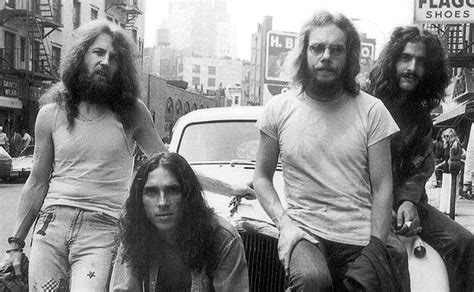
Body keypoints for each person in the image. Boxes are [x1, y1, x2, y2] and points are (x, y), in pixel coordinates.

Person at [1, 20, 253, 291]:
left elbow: (173, 168)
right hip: (50, 227)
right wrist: (15, 243)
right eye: (98, 53)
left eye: (114, 58)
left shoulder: (132, 112)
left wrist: (230, 188)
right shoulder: (51, 114)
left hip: (102, 229)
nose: (105, 62)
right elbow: (37, 182)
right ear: (81, 56)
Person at [253, 11, 407, 291]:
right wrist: (284, 224)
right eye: (317, 48)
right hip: (306, 232)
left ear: (349, 57)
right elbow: (261, 177)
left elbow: (383, 186)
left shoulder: (372, 110)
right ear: (304, 52)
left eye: (336, 49)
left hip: (360, 234)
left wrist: (375, 248)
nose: (326, 56)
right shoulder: (278, 109)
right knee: (313, 281)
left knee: (393, 267)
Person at [366, 26, 474, 291]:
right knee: (390, 259)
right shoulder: (365, 101)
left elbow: (420, 167)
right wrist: (381, 205)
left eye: (421, 62)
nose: (412, 67)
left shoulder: (421, 115)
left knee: (463, 243)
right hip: (362, 201)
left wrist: (408, 201)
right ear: (392, 59)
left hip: (408, 203)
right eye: (405, 58)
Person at [110, 152, 249, 291]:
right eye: (152, 192)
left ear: (188, 195)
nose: (162, 202)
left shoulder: (223, 238)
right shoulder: (134, 232)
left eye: (173, 190)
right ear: (140, 199)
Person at [436, 128, 465, 213]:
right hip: (446, 169)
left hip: (453, 169)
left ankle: (450, 209)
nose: (445, 138)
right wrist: (439, 165)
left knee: (451, 189)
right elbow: (446, 159)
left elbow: (463, 154)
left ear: (452, 136)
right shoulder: (447, 145)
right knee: (445, 189)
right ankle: (444, 208)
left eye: (447, 136)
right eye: (444, 136)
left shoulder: (456, 145)